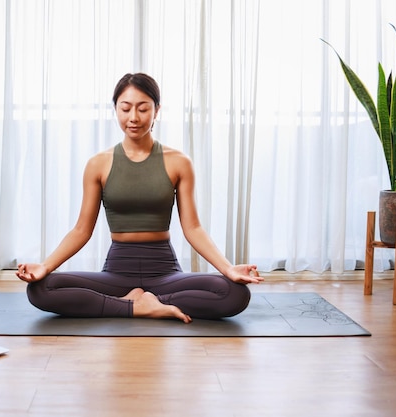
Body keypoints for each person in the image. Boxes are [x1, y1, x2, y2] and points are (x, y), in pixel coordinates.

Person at [16, 73, 263, 323]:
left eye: (143, 109)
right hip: (117, 272)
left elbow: (193, 228)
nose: (133, 117)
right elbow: (81, 230)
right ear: (116, 110)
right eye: (125, 109)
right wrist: (45, 267)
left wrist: (228, 269)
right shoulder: (98, 164)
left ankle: (139, 303)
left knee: (235, 294)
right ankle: (137, 305)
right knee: (39, 289)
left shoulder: (178, 162)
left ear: (157, 111)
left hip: (164, 271)